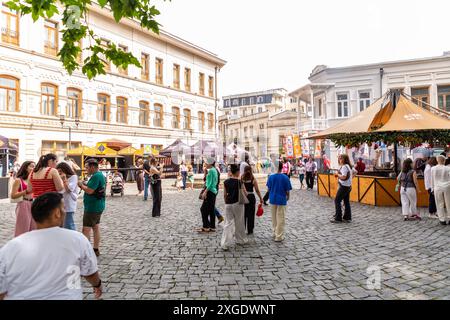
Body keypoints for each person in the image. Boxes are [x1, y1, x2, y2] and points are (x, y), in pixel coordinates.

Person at [0, 192, 102, 300]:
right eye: (63, 208)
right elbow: (90, 272)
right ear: (57, 213)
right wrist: (97, 284)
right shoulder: (77, 239)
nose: (65, 211)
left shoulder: (11, 246)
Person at [78, 159, 106, 257]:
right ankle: (95, 249)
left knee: (86, 229)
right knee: (96, 227)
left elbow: (90, 191)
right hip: (98, 205)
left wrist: (81, 185)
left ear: (92, 167)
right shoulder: (99, 175)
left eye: (87, 167)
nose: (86, 169)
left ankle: (86, 252)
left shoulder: (96, 176)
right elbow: (93, 188)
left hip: (92, 207)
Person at [221, 164, 247, 250]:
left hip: (228, 204)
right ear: (237, 172)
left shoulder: (226, 182)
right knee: (239, 222)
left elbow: (224, 195)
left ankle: (225, 243)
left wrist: (226, 203)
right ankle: (239, 239)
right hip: (238, 203)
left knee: (228, 223)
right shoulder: (239, 182)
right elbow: (245, 193)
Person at [266, 161, 292, 242]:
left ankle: (275, 232)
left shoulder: (270, 177)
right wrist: (288, 197)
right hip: (281, 199)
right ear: (281, 168)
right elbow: (287, 190)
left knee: (274, 218)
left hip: (272, 198)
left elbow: (268, 189)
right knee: (281, 218)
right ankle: (279, 236)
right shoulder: (285, 177)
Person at [10, 161, 36, 237]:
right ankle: (20, 246)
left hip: (33, 204)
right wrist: (26, 191)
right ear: (25, 168)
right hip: (23, 204)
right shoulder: (19, 180)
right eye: (31, 166)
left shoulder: (34, 179)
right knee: (22, 229)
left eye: (34, 166)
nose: (33, 168)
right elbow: (13, 195)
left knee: (33, 228)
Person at [241, 165, 263, 235]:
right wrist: (260, 198)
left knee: (243, 213)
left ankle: (242, 228)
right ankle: (250, 230)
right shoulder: (253, 179)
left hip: (243, 197)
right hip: (251, 197)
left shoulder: (242, 178)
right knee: (251, 213)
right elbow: (257, 190)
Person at [56, 162, 79, 231]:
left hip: (69, 203)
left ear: (65, 169)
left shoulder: (73, 177)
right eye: (58, 171)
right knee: (62, 224)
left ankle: (74, 238)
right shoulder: (59, 178)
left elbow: (69, 189)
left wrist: (64, 180)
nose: (59, 173)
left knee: (69, 223)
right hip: (61, 203)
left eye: (60, 171)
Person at [331, 154, 353, 223]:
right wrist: (350, 179)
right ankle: (347, 217)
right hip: (348, 186)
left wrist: (337, 175)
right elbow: (355, 172)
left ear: (345, 159)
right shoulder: (348, 166)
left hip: (344, 186)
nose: (339, 159)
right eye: (339, 158)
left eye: (341, 158)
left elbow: (343, 177)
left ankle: (338, 218)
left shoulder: (344, 167)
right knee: (346, 202)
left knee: (337, 200)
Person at [199, 158, 219, 233]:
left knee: (203, 209)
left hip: (210, 192)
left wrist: (205, 192)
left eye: (206, 163)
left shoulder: (211, 171)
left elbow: (210, 183)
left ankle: (206, 226)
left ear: (210, 163)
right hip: (213, 191)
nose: (205, 164)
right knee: (211, 209)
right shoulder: (214, 170)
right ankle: (212, 226)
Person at [431, 155, 450, 225]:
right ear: (444, 161)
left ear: (437, 160)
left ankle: (442, 219)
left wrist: (432, 188)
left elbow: (432, 179)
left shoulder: (433, 168)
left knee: (439, 203)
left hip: (437, 187)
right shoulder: (448, 168)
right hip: (447, 186)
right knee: (449, 202)